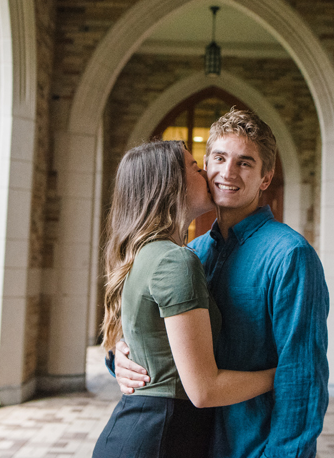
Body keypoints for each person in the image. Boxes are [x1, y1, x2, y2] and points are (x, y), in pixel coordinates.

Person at [113, 109, 330, 458]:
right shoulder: (191, 254)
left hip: (254, 447)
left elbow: (303, 376)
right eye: (219, 158)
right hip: (189, 444)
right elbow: (158, 336)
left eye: (245, 163)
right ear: (206, 165)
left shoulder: (290, 256)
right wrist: (120, 358)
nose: (228, 173)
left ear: (265, 178)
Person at [93, 140, 276, 458]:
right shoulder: (173, 260)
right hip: (159, 437)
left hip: (152, 433)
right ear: (170, 184)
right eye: (195, 167)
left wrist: (118, 356)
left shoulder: (154, 253)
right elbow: (204, 390)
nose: (206, 172)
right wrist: (281, 374)